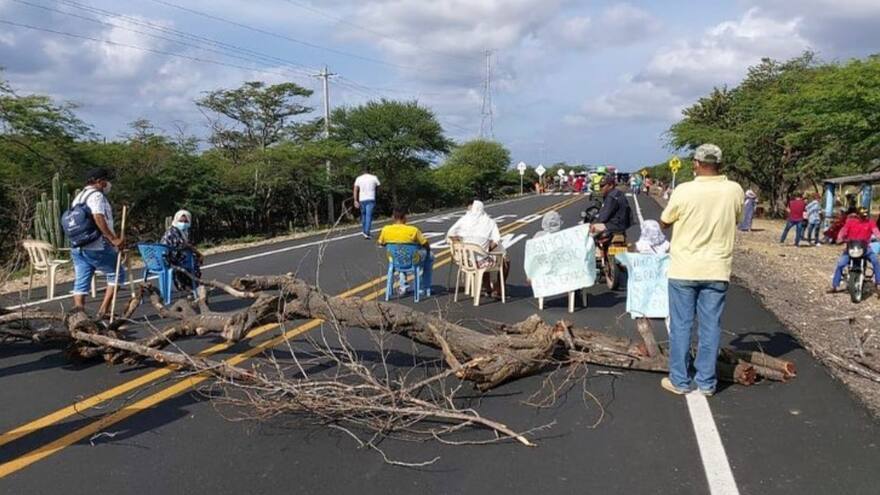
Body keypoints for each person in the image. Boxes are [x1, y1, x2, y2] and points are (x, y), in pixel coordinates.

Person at [659, 143, 744, 396]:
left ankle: (680, 380)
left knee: (682, 326)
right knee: (710, 326)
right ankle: (707, 382)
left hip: (684, 268)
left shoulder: (684, 190)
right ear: (720, 164)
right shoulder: (734, 190)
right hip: (717, 268)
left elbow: (665, 221)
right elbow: (737, 218)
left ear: (696, 163)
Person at [70, 167, 126, 318]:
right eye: (106, 181)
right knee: (117, 274)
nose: (108, 184)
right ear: (100, 182)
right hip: (96, 246)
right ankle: (104, 311)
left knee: (81, 281)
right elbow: (98, 217)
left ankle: (79, 316)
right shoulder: (96, 196)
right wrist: (113, 239)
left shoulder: (79, 197)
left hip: (78, 246)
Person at [447, 200, 508, 297]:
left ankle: (487, 288)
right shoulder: (489, 221)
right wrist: (487, 250)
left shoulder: (465, 219)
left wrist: (461, 242)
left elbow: (450, 233)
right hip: (481, 262)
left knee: (482, 256)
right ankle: (498, 288)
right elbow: (496, 240)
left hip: (467, 261)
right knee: (504, 260)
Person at [377, 208, 433, 296]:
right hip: (411, 260)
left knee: (400, 257)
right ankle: (423, 287)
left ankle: (403, 286)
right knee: (430, 256)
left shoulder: (386, 229)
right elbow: (425, 244)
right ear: (404, 217)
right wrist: (426, 250)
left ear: (393, 217)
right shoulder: (413, 230)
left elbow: (380, 243)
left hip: (396, 260)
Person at [827, 208, 880, 293]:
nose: (864, 217)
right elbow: (843, 231)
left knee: (875, 261)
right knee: (840, 264)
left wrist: (878, 237)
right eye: (862, 215)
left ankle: (878, 284)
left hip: (865, 248)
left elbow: (876, 232)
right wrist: (840, 238)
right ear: (858, 215)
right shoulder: (851, 222)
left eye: (865, 215)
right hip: (851, 247)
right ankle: (835, 286)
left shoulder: (870, 222)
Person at [160, 209, 204, 290]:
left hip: (165, 258)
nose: (183, 223)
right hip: (169, 259)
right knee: (194, 260)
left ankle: (185, 283)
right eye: (181, 221)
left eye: (185, 221)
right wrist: (198, 254)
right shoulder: (174, 231)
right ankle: (191, 285)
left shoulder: (181, 231)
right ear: (176, 220)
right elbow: (184, 245)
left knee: (191, 257)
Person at [353, 169, 381, 239]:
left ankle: (364, 231)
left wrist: (355, 200)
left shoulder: (359, 178)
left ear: (362, 171)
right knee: (369, 215)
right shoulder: (374, 177)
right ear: (370, 171)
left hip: (362, 199)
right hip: (371, 198)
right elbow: (379, 186)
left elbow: (355, 189)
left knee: (363, 215)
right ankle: (367, 232)